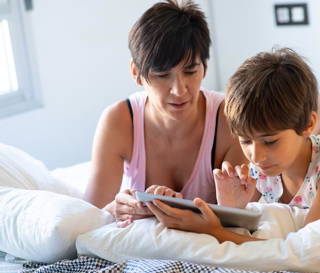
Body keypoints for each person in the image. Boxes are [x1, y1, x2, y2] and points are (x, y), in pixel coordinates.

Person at [145, 48, 320, 244]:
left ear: (308, 124)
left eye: (270, 141)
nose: (255, 155)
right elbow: (248, 235)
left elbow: (305, 249)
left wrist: (212, 230)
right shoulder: (263, 172)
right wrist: (231, 208)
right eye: (245, 140)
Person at [84, 0, 246, 226]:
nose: (179, 90)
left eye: (190, 71)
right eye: (162, 75)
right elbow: (89, 217)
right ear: (136, 73)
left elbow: (240, 219)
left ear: (205, 68)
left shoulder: (228, 118)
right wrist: (116, 209)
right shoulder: (118, 121)